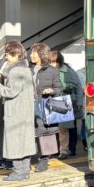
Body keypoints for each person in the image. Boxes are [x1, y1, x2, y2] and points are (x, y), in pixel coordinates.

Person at [0, 42, 38, 181]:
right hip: (25, 111)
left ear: (16, 55)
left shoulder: (15, 71)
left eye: (8, 54)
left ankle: (18, 172)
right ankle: (24, 171)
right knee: (25, 142)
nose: (6, 57)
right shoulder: (27, 69)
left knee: (15, 142)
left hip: (15, 112)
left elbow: (11, 92)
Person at [30, 43, 61, 172]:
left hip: (44, 105)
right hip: (28, 104)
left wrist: (52, 90)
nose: (30, 55)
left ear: (41, 55)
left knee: (45, 132)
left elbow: (59, 88)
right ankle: (29, 157)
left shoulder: (52, 71)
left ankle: (44, 160)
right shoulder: (27, 69)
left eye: (33, 53)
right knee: (29, 131)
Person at [50, 50, 83, 159]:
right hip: (53, 100)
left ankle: (69, 149)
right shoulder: (48, 70)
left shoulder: (68, 71)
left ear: (59, 61)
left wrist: (79, 102)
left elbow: (77, 86)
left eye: (54, 62)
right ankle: (59, 150)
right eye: (50, 62)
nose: (52, 64)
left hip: (65, 100)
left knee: (67, 127)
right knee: (56, 127)